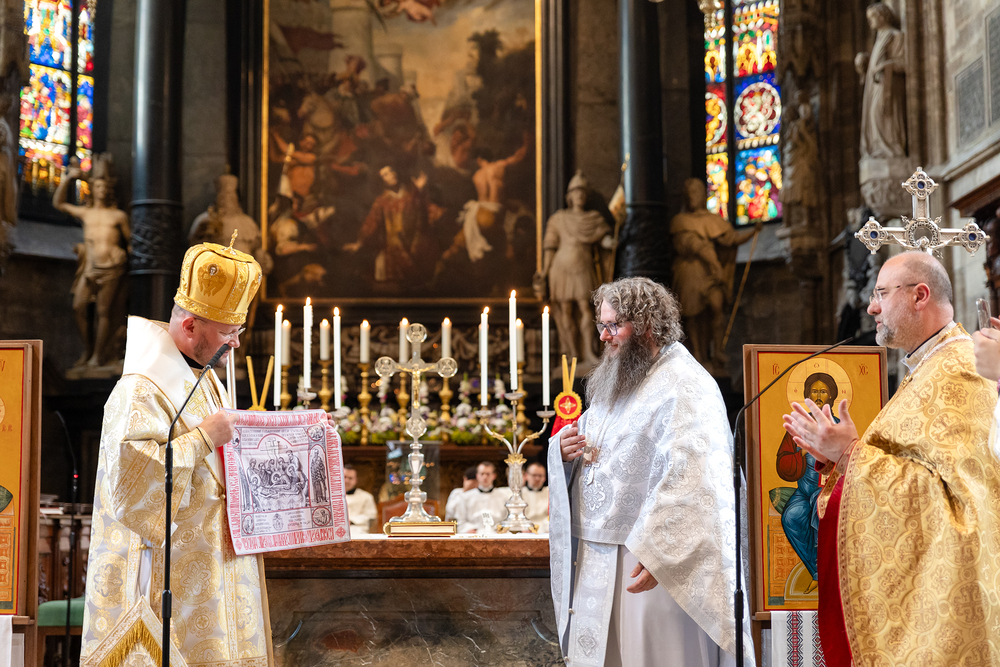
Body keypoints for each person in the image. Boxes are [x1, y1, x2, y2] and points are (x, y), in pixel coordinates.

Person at [783, 251, 1000, 666]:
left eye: (882, 293)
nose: (872, 307)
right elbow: (913, 468)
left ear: (920, 295)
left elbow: (962, 503)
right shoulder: (928, 367)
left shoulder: (960, 370)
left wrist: (850, 453)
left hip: (950, 607)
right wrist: (839, 457)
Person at [80, 237, 273, 667]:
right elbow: (131, 486)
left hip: (213, 565)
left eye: (237, 332)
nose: (235, 344)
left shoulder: (205, 377)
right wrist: (204, 437)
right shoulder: (140, 388)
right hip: (166, 578)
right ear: (189, 327)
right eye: (227, 333)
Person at [549, 276, 752, 667]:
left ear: (645, 325)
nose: (604, 336)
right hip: (598, 560)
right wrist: (561, 451)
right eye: (602, 324)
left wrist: (661, 549)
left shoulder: (686, 384)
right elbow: (589, 438)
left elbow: (695, 474)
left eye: (614, 325)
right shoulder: (621, 378)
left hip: (653, 562)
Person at [670, 178, 759, 377]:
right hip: (690, 271)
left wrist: (753, 232)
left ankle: (717, 351)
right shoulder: (680, 222)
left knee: (716, 306)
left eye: (696, 192)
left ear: (703, 195)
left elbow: (731, 239)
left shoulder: (712, 219)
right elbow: (690, 244)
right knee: (692, 314)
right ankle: (698, 355)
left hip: (709, 274)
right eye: (689, 193)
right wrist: (713, 262)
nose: (693, 197)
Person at [54, 154, 130, 369]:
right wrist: (69, 178)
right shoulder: (85, 213)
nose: (102, 190)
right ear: (92, 188)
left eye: (105, 187)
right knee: (78, 307)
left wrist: (125, 254)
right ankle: (87, 349)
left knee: (104, 312)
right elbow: (58, 203)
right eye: (98, 186)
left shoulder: (118, 216)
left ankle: (98, 356)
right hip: (89, 268)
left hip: (112, 268)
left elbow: (131, 241)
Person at [535, 170, 611, 370]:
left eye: (582, 192)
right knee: (565, 310)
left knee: (586, 308)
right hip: (560, 269)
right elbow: (550, 247)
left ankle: (588, 351)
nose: (579, 195)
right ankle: (572, 353)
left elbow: (603, 239)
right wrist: (544, 271)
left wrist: (609, 242)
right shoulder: (558, 219)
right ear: (569, 196)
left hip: (583, 267)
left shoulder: (593, 218)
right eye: (576, 192)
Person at [774, 373, 839, 584]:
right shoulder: (797, 426)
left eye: (823, 391)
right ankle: (816, 570)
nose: (818, 396)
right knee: (791, 516)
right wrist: (802, 450)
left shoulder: (839, 426)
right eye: (814, 391)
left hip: (829, 490)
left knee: (822, 510)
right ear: (807, 395)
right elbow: (783, 463)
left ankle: (829, 568)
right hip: (804, 491)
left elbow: (851, 459)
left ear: (831, 395)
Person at [455, 461, 509, 534]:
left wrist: (502, 528)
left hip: (497, 534)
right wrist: (468, 529)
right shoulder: (466, 497)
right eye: (482, 474)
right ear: (477, 476)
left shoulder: (503, 496)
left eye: (488, 474)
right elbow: (461, 520)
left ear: (494, 476)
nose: (485, 477)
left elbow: (507, 519)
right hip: (473, 535)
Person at [343, 464, 377, 537]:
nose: (346, 480)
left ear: (356, 480)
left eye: (350, 478)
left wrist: (351, 521)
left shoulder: (366, 497)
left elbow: (371, 515)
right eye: (344, 477)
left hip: (357, 529)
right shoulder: (331, 497)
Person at [521, 462, 549, 533]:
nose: (537, 478)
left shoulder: (550, 492)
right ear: (526, 476)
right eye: (534, 475)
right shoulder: (519, 493)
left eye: (540, 476)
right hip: (525, 530)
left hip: (546, 529)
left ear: (544, 478)